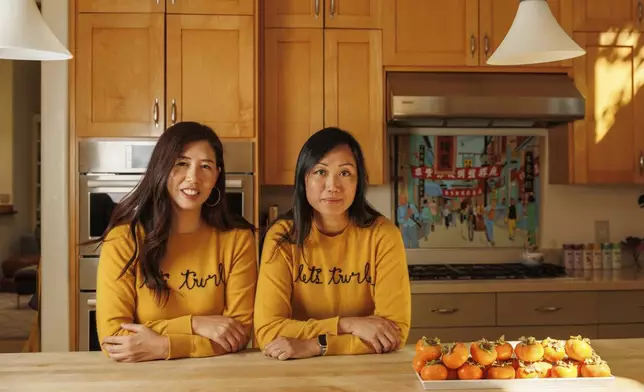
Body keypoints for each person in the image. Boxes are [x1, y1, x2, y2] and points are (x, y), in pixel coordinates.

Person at [92, 122, 257, 362]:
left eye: (206, 166)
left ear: (217, 176)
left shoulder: (238, 241)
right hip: (142, 381)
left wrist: (163, 346)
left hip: (216, 379)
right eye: (181, 163)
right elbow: (114, 339)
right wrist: (195, 324)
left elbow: (238, 334)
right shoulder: (124, 240)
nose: (193, 177)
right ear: (162, 167)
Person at [254, 127, 411, 360]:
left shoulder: (383, 235)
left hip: (368, 369)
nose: (332, 185)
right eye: (320, 171)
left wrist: (316, 345)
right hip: (294, 371)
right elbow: (267, 330)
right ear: (303, 178)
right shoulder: (283, 237)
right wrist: (347, 325)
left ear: (358, 181)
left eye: (345, 173)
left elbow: (394, 332)